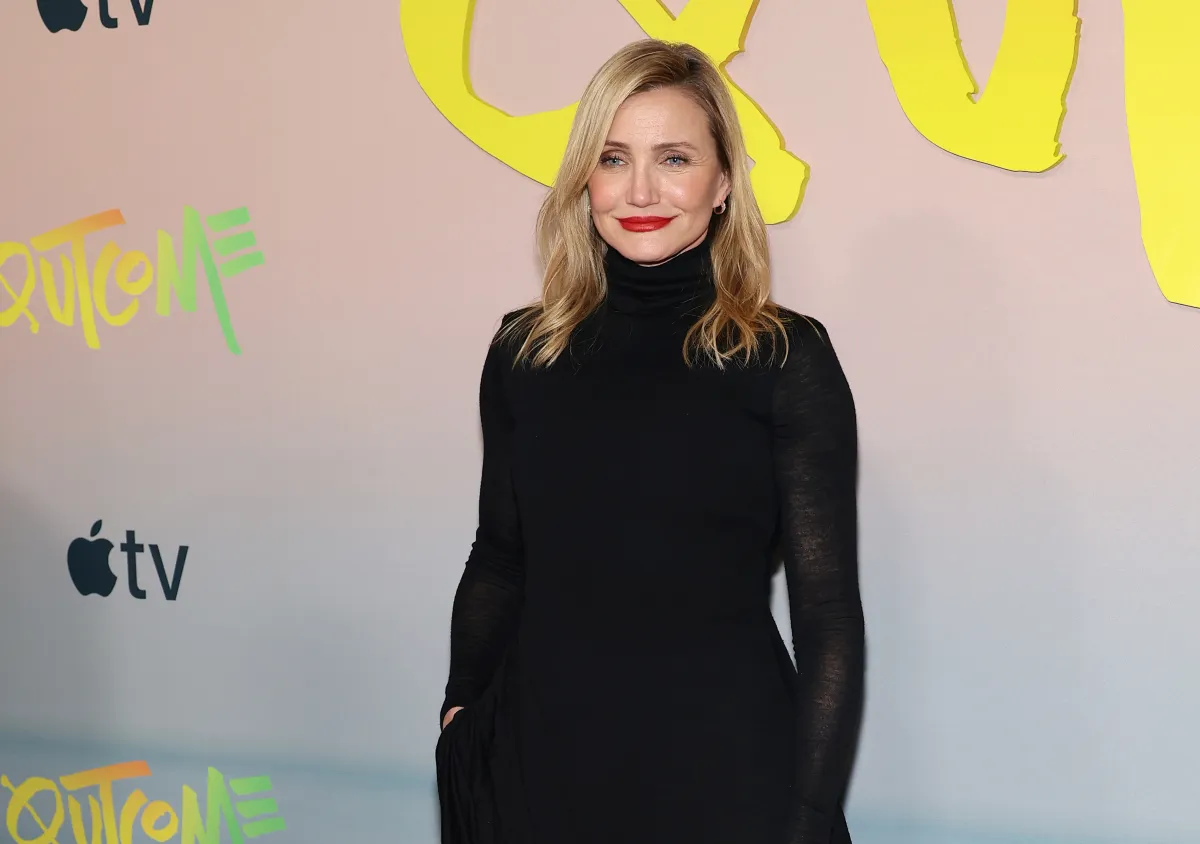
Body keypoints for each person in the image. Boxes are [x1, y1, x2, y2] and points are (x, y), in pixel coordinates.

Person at [435, 38, 866, 844]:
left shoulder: (783, 357)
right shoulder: (525, 351)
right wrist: (460, 713)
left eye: (674, 158)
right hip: (539, 770)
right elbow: (501, 556)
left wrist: (808, 814)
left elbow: (827, 612)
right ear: (584, 179)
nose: (640, 190)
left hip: (725, 772)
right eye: (613, 158)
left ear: (723, 183)